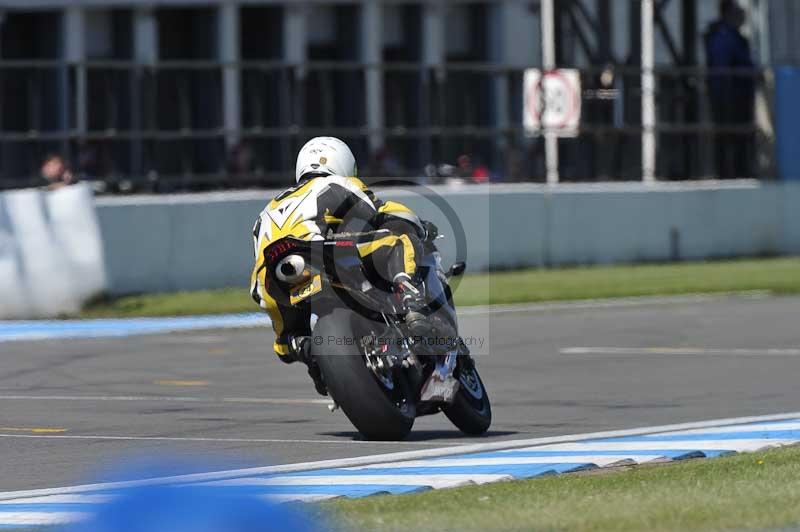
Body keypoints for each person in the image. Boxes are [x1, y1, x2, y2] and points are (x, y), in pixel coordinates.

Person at [250, 137, 435, 395]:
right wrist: (414, 225)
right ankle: (410, 298)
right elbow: (375, 213)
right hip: (321, 251)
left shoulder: (265, 212)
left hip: (273, 277)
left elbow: (260, 259)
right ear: (343, 162)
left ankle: (312, 357)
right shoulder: (336, 183)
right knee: (397, 238)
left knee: (286, 342)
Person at [704, 0, 756, 178]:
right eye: (738, 12)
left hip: (737, 97)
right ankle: (730, 173)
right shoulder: (723, 37)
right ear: (727, 14)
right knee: (728, 138)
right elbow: (722, 69)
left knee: (738, 138)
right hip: (728, 99)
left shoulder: (734, 36)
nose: (742, 16)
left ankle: (738, 171)